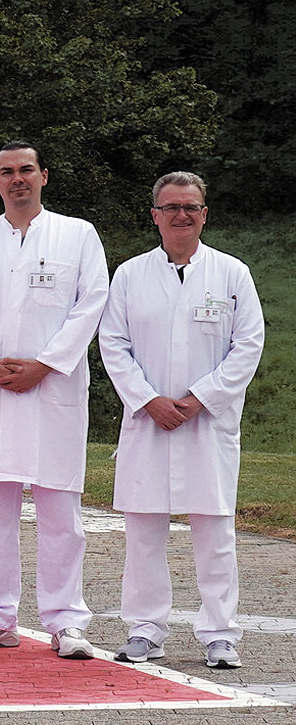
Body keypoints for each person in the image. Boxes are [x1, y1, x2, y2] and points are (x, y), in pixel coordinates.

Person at [0, 141, 110, 659]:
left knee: (59, 511)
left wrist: (45, 364)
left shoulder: (77, 235)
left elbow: (90, 303)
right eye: (7, 172)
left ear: (43, 176)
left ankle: (66, 623)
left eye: (26, 170)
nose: (17, 179)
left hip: (51, 387)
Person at [100, 172, 264, 669]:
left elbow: (248, 345)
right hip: (148, 422)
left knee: (215, 532)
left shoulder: (232, 273)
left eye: (190, 207)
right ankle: (146, 630)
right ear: (155, 215)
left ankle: (219, 634)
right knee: (144, 531)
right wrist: (148, 400)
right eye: (170, 207)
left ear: (204, 213)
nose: (181, 215)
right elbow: (114, 343)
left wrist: (198, 399)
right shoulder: (130, 275)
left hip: (206, 425)